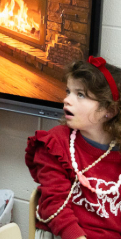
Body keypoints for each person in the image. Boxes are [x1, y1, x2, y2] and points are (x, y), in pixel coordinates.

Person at [26, 56, 121, 239]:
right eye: (68, 91)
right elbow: (54, 204)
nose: (67, 100)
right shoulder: (56, 144)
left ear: (109, 110)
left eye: (80, 94)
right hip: (64, 234)